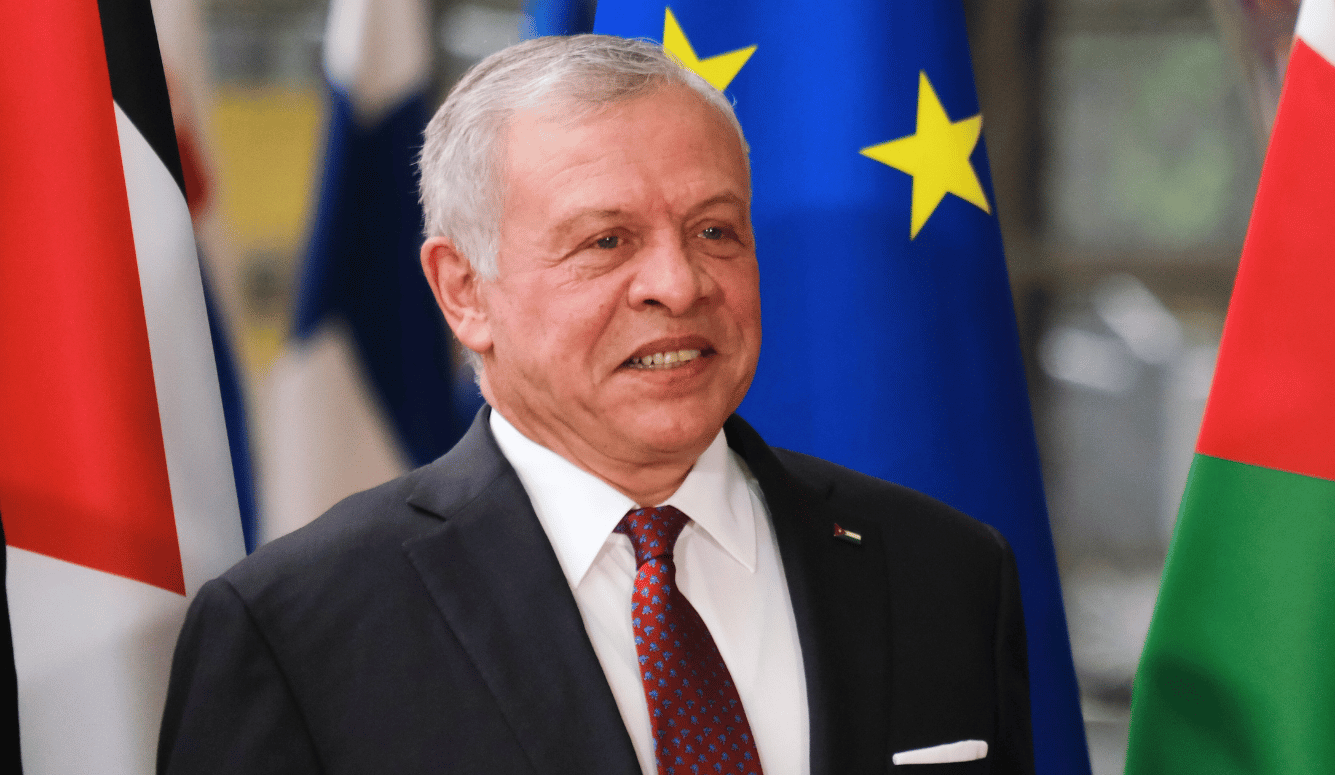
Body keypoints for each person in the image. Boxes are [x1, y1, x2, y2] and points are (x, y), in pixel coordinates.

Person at [158, 35, 1033, 775]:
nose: (678, 283)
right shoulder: (296, 628)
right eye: (606, 240)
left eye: (714, 230)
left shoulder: (945, 572)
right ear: (463, 290)